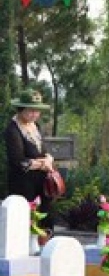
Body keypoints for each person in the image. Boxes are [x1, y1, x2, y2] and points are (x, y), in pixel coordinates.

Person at [4, 89, 56, 234]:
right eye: (30, 111)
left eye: (37, 111)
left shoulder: (35, 126)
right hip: (23, 184)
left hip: (42, 182)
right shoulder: (12, 130)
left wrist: (49, 158)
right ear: (20, 110)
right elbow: (18, 161)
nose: (34, 114)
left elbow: (43, 149)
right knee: (27, 219)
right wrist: (42, 164)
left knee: (46, 216)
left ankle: (45, 247)